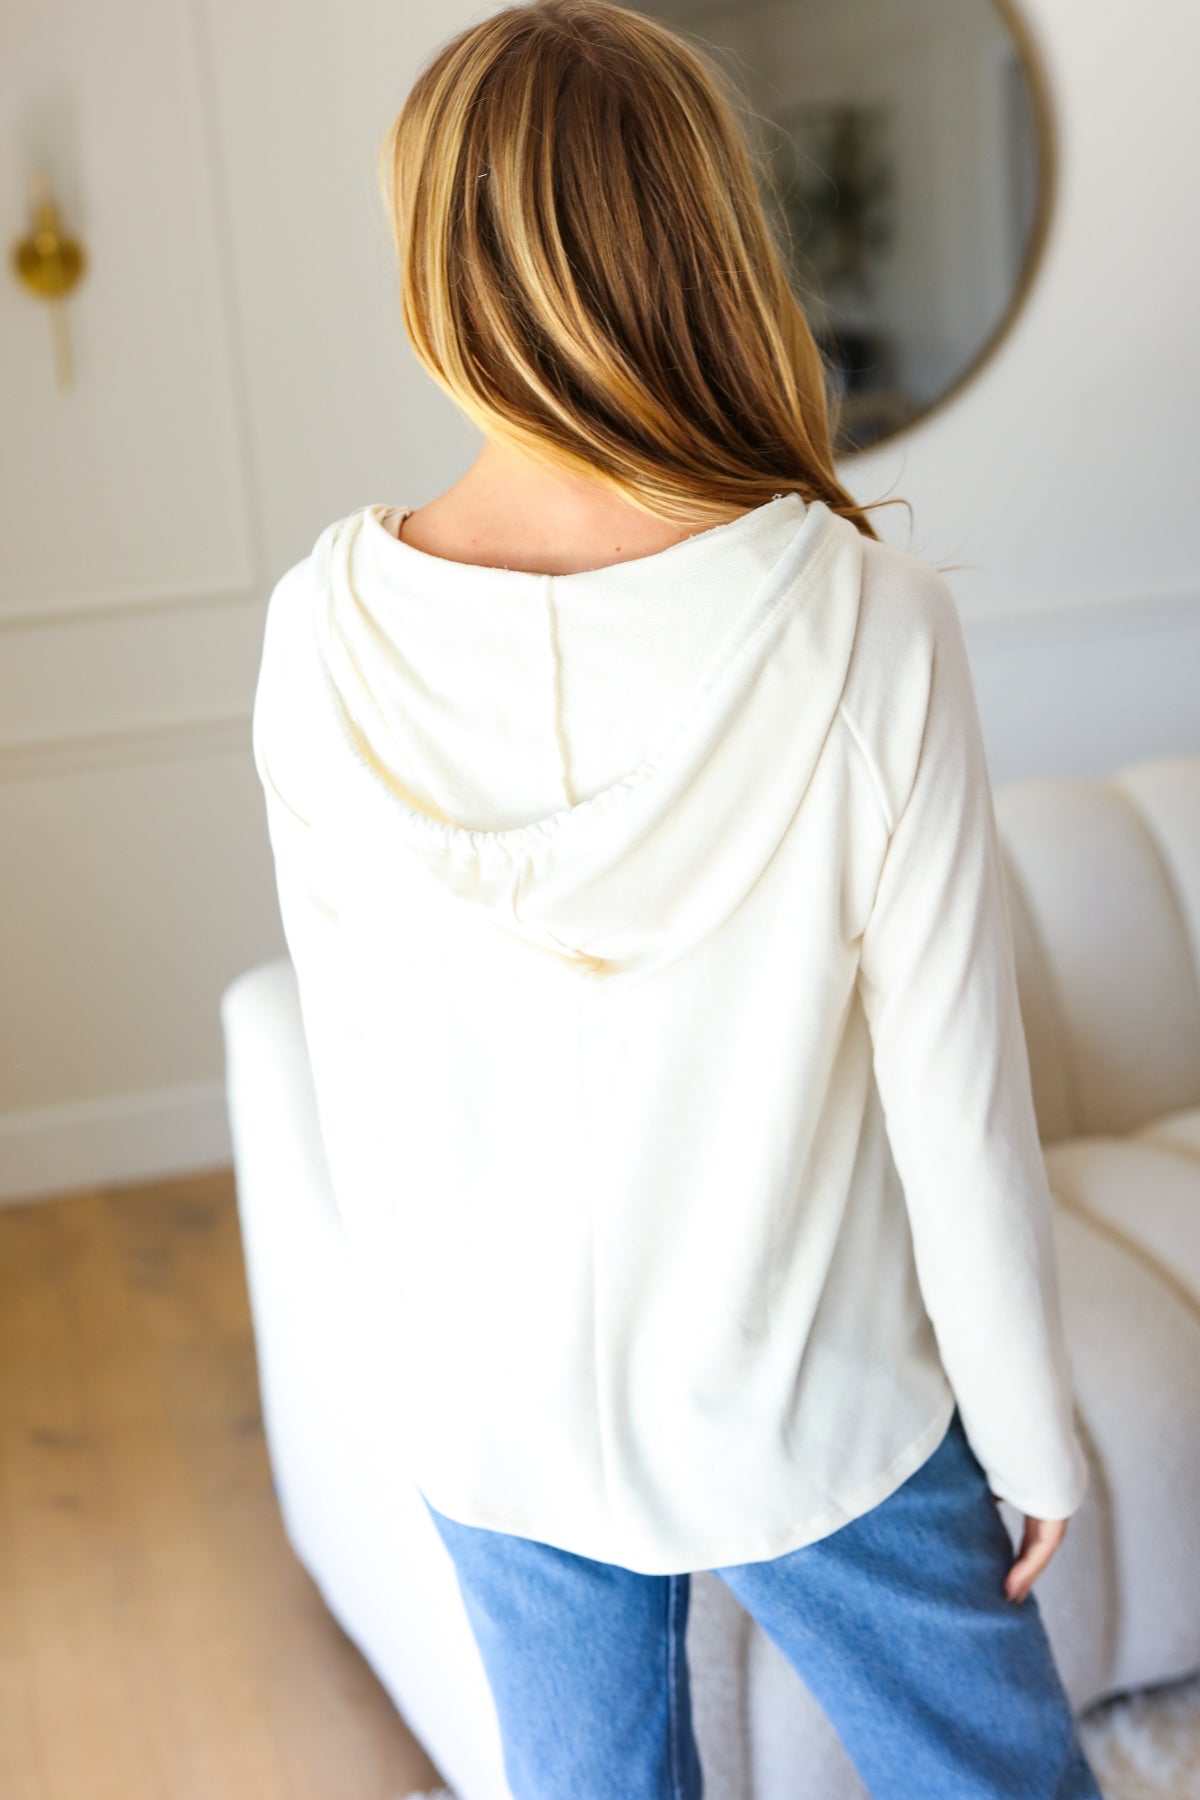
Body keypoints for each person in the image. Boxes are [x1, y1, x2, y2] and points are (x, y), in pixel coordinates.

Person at [250, 2, 1106, 1794]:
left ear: (436, 265)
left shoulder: (322, 631)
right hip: (818, 1407)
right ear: (708, 242)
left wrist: (432, 1395)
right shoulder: (865, 623)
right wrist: (1033, 1437)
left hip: (492, 1415)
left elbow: (366, 1085)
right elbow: (959, 1106)